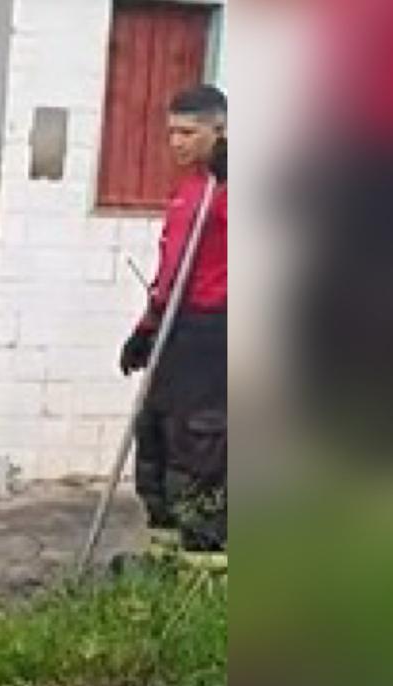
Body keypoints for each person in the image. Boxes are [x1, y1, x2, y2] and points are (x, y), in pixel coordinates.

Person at [119, 85, 228, 563]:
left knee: (199, 449)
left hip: (217, 331)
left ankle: (204, 569)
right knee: (155, 438)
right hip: (174, 328)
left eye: (188, 132)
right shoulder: (188, 191)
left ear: (220, 131)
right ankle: (164, 558)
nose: (176, 143)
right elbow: (170, 269)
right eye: (171, 133)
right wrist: (146, 327)